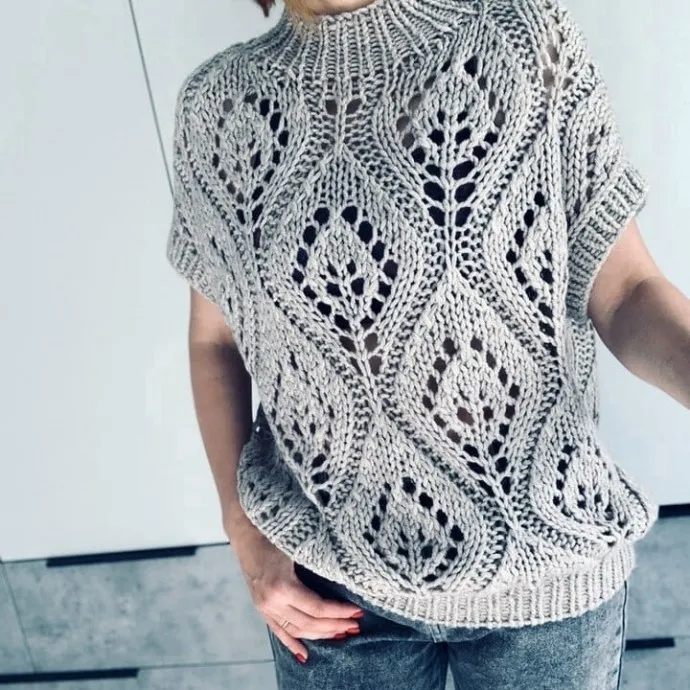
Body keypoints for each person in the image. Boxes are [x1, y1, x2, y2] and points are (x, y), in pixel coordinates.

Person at [164, 0, 690, 688]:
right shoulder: (219, 106)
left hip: (547, 578)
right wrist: (243, 529)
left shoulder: (519, 36)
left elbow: (624, 291)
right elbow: (214, 340)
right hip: (331, 591)